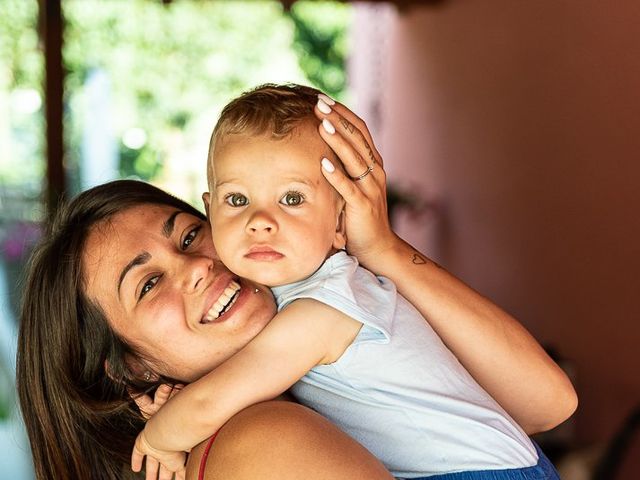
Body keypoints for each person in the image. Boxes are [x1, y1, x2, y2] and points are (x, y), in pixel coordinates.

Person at [16, 100, 575, 480]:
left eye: (188, 235)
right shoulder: (266, 436)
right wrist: (170, 429)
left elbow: (548, 404)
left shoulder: (318, 308)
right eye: (149, 283)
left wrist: (380, 249)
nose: (193, 267)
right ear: (131, 368)